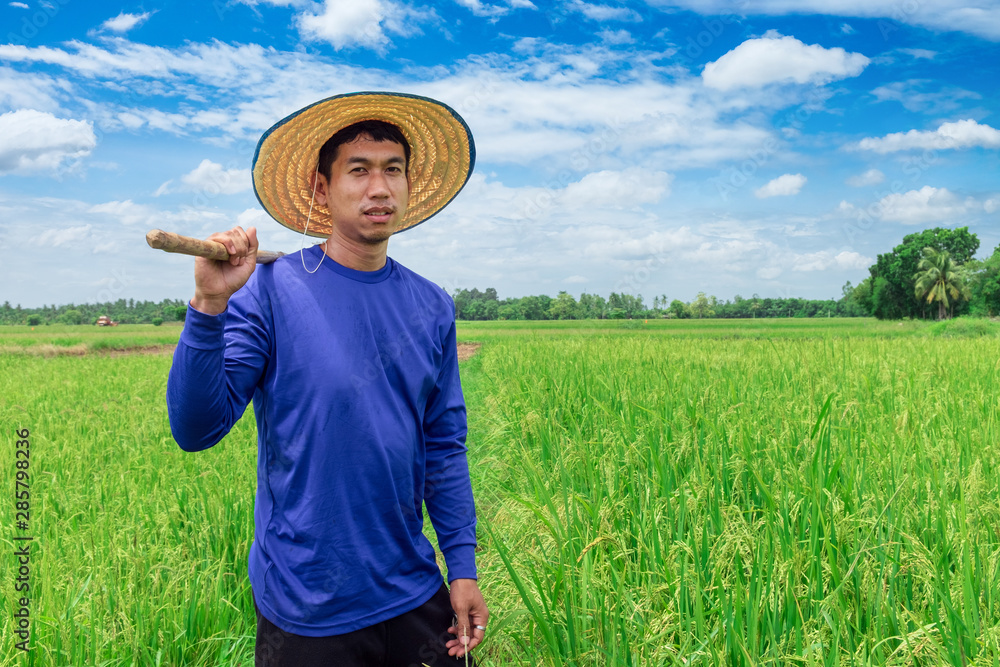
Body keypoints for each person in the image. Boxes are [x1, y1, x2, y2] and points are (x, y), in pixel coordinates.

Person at [166, 92, 487, 666]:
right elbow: (196, 429)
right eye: (358, 171)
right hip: (308, 607)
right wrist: (210, 303)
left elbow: (443, 444)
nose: (379, 188)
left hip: (414, 592)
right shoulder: (269, 292)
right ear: (321, 188)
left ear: (409, 187)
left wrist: (460, 566)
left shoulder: (431, 305)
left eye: (393, 170)